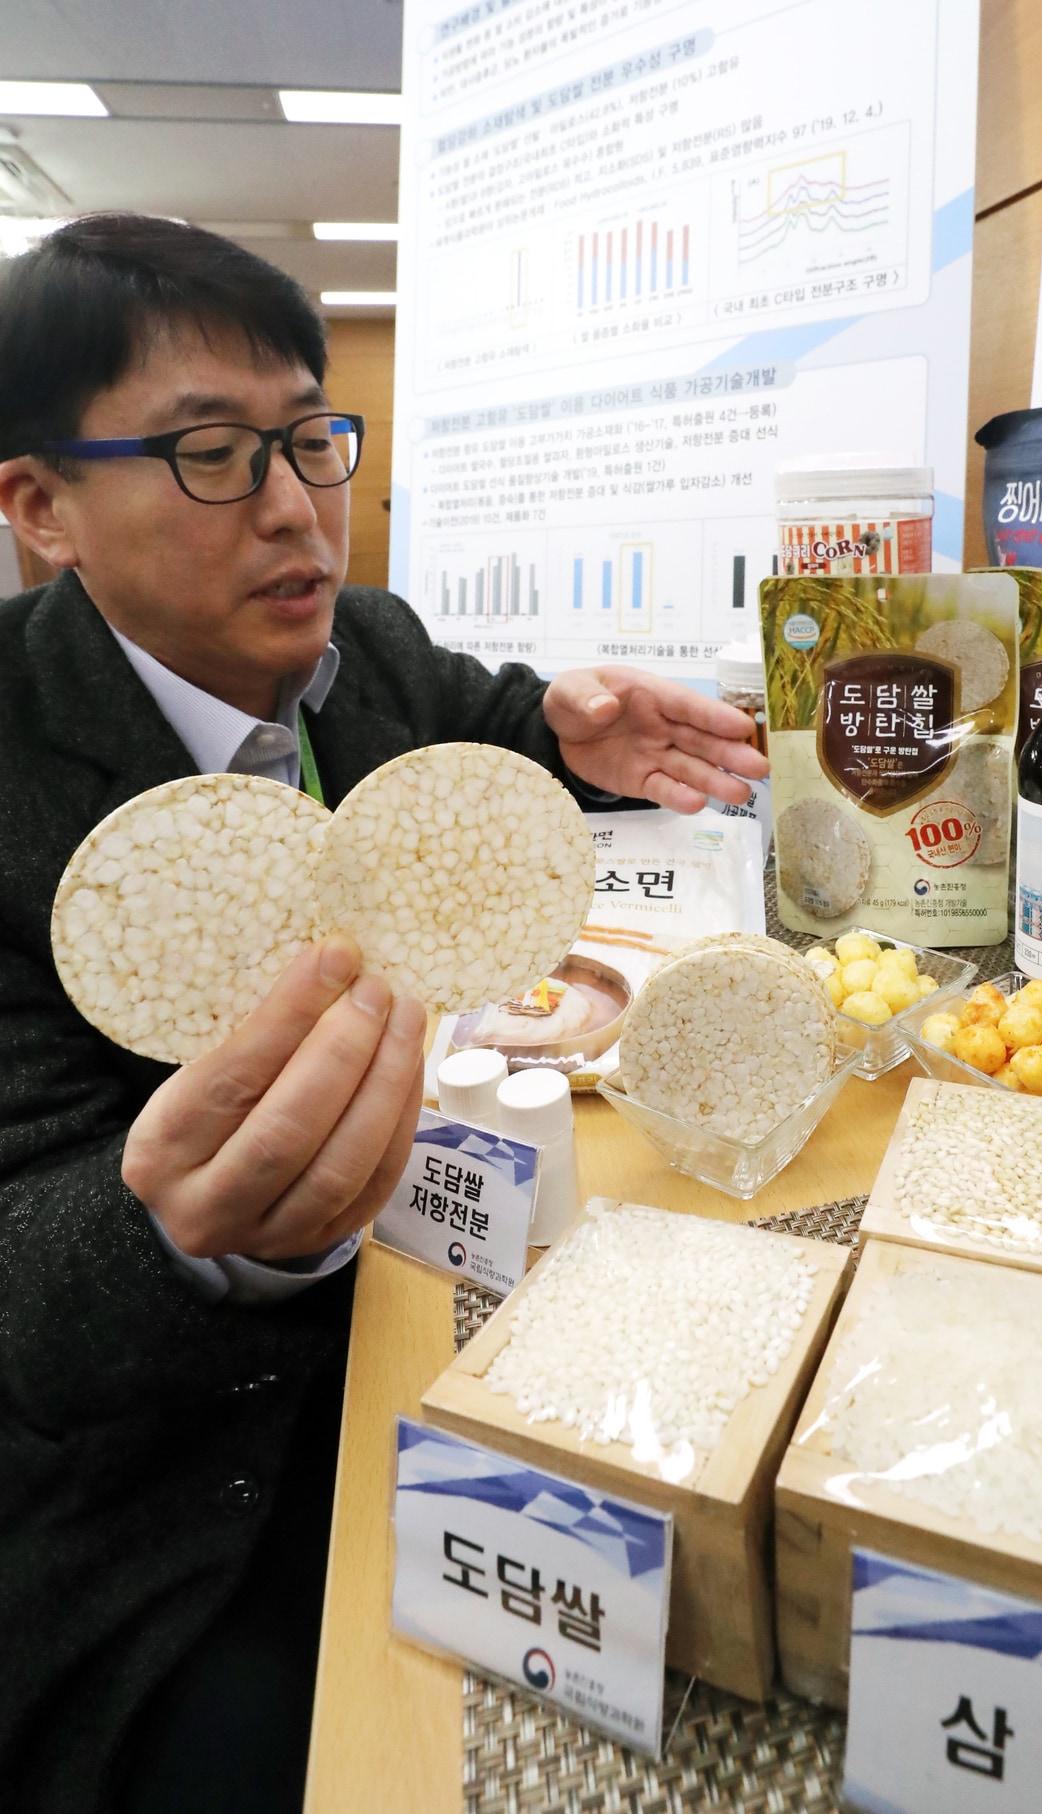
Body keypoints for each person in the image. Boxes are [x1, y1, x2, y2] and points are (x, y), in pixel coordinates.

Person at [0, 213, 768, 1814]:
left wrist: (572, 739)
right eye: (212, 453)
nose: (295, 508)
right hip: (170, 1488)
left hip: (454, 1310)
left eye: (311, 439)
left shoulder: (366, 652)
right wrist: (177, 1237)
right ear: (42, 507)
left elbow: (476, 726)